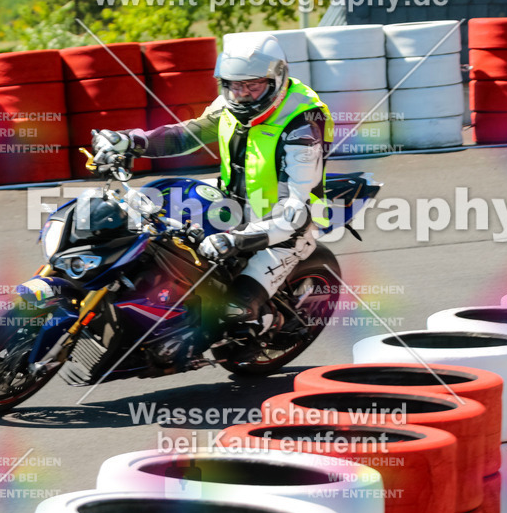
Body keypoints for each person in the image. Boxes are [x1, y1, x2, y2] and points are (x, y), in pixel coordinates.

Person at [92, 36, 334, 347]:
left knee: (234, 312)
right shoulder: (231, 103)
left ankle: (273, 323)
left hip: (283, 227)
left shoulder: (302, 124)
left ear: (276, 80)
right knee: (151, 226)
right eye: (234, 85)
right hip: (232, 201)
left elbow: (296, 211)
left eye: (253, 86)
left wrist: (236, 239)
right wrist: (129, 141)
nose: (242, 94)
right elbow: (186, 135)